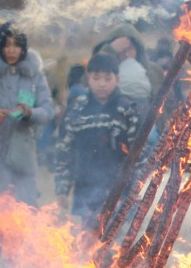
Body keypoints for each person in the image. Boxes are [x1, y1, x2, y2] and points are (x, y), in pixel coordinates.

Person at [0, 22, 54, 204]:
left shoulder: (35, 75)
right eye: (6, 45)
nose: (11, 50)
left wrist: (29, 113)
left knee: (21, 211)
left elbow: (47, 111)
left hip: (21, 157)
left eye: (16, 45)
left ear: (23, 48)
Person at [54, 53, 141, 226]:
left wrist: (138, 187)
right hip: (85, 188)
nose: (102, 84)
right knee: (88, 237)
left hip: (121, 189)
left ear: (117, 79)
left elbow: (140, 154)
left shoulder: (127, 110)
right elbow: (64, 153)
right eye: (96, 78)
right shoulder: (76, 111)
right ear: (88, 79)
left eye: (107, 79)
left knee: (119, 236)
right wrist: (62, 189)